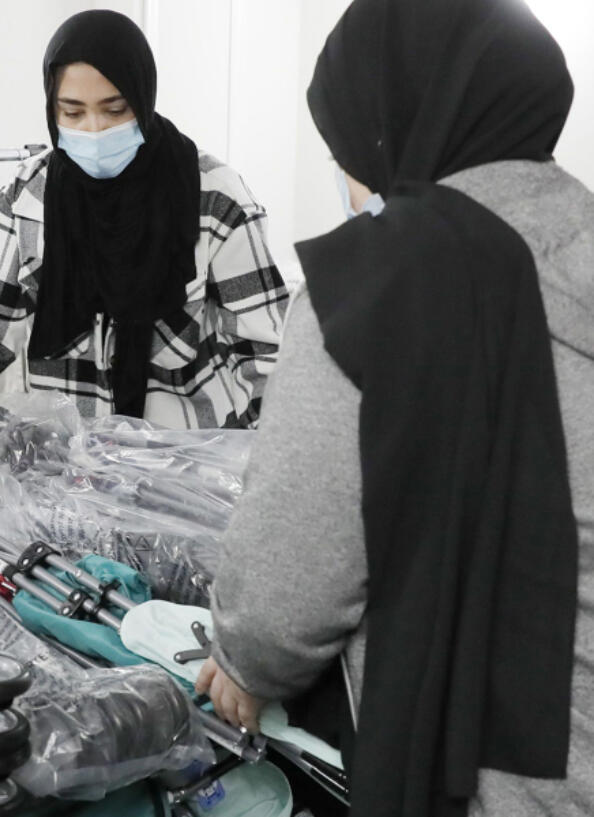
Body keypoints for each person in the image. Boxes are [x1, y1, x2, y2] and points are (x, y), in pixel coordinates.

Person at [195, 1, 592, 815]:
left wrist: (242, 664)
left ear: (390, 127)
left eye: (346, 151)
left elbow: (288, 586)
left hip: (500, 773)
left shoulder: (376, 283)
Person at [0, 10, 289, 502]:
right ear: (52, 110)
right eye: (73, 112)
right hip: (64, 469)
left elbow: (265, 353)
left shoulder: (213, 196)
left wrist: (269, 472)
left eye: (114, 109)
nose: (94, 129)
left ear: (143, 100)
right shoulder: (31, 196)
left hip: (184, 473)